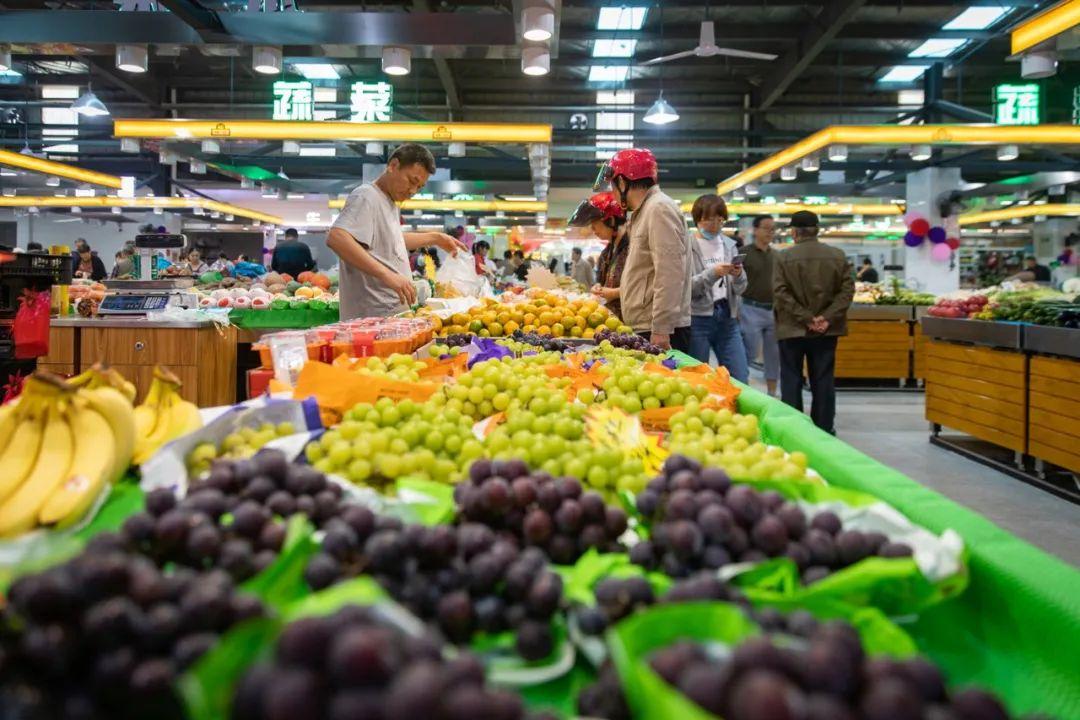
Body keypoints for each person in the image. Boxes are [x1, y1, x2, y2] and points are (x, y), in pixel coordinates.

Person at [327, 143, 467, 319]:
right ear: (393, 166)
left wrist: (436, 237)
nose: (413, 191)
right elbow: (337, 237)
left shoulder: (390, 203)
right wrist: (387, 275)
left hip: (388, 317)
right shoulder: (366, 196)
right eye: (412, 181)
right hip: (369, 320)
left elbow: (390, 241)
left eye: (419, 187)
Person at [597, 147, 691, 351]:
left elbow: (670, 273)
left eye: (613, 185)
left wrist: (661, 328)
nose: (612, 193)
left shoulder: (659, 208)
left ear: (622, 182)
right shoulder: (644, 211)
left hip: (657, 330)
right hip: (646, 324)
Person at [773, 210, 854, 435]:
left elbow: (780, 292)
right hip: (827, 331)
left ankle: (795, 429)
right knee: (823, 379)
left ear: (793, 232)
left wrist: (806, 318)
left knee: (791, 378)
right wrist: (825, 318)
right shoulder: (838, 256)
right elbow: (847, 292)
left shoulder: (783, 257)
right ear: (817, 230)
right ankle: (824, 428)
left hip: (792, 329)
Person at [686, 194, 749, 382]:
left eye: (719, 220)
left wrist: (738, 275)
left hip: (728, 316)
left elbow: (741, 288)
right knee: (697, 377)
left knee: (739, 375)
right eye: (709, 220)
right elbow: (685, 288)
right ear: (698, 219)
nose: (714, 225)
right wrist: (714, 273)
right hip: (697, 319)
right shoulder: (687, 245)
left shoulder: (730, 245)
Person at [568, 191, 628, 318]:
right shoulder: (606, 253)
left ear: (611, 220)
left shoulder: (634, 248)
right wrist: (598, 287)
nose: (593, 231)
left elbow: (644, 286)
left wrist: (614, 293)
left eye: (595, 226)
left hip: (633, 321)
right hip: (612, 318)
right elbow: (602, 282)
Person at [739, 215, 781, 397]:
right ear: (755, 230)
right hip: (749, 308)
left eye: (773, 229)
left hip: (773, 310)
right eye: (766, 228)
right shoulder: (743, 253)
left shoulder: (777, 256)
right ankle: (743, 388)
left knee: (774, 354)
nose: (769, 232)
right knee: (749, 351)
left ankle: (772, 393)